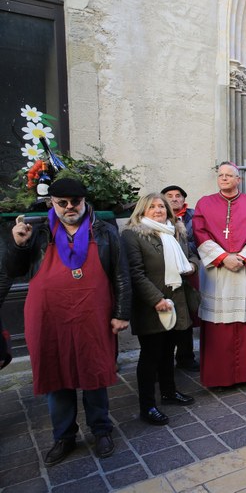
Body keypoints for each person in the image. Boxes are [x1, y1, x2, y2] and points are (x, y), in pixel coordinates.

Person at [5, 178, 130, 465]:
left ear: (84, 201)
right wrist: (18, 245)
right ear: (52, 203)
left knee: (94, 373)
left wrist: (122, 313)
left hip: (93, 315)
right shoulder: (37, 232)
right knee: (56, 376)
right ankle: (64, 436)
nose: (69, 207)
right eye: (62, 203)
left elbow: (121, 275)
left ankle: (101, 430)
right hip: (50, 317)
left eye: (75, 202)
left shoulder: (105, 230)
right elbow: (13, 270)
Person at [122, 194, 197, 425]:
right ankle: (147, 406)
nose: (158, 210)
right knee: (150, 356)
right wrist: (156, 300)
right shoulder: (132, 235)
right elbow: (135, 273)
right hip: (151, 305)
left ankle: (169, 392)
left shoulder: (174, 231)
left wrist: (191, 266)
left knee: (168, 352)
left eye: (161, 206)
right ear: (142, 210)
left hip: (176, 300)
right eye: (152, 206)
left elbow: (189, 255)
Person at [193, 162, 246, 388]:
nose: (224, 179)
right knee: (219, 323)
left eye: (229, 176)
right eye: (221, 175)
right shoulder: (204, 203)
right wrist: (222, 257)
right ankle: (220, 376)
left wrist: (243, 257)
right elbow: (199, 232)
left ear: (239, 180)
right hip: (218, 271)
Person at [161, 184, 200, 372]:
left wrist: (188, 258)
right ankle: (165, 360)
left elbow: (198, 241)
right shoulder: (158, 218)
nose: (174, 199)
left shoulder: (193, 216)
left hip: (188, 271)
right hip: (164, 274)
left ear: (184, 200)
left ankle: (186, 356)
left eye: (178, 196)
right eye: (170, 196)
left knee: (187, 315)